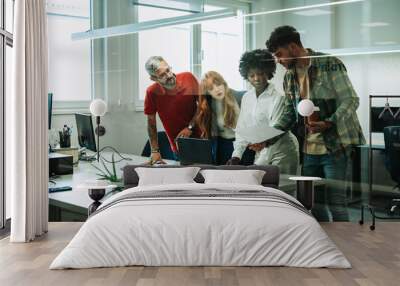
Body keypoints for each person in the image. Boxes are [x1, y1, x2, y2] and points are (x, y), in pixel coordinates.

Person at [266, 25, 366, 221]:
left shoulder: (329, 63)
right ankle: (322, 248)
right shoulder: (289, 77)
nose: (278, 61)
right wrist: (268, 135)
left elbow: (351, 100)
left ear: (293, 47)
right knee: (313, 204)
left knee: (336, 202)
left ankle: (345, 248)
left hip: (334, 146)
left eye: (280, 54)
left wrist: (329, 123)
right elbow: (288, 112)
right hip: (309, 149)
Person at [226, 49, 299, 174]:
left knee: (280, 189)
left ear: (268, 72)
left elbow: (274, 132)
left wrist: (257, 165)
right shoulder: (247, 97)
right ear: (246, 77)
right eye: (252, 75)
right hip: (261, 149)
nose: (257, 79)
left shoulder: (278, 98)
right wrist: (236, 156)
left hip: (282, 151)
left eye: (260, 74)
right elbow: (243, 129)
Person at [144, 56, 200, 164]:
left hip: (202, 138)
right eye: (162, 75)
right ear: (153, 78)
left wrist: (189, 127)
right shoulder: (151, 92)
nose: (169, 75)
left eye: (168, 70)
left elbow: (203, 106)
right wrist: (155, 151)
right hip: (179, 146)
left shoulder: (188, 77)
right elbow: (151, 123)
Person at [196, 71, 244, 164]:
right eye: (211, 88)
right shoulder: (208, 104)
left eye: (218, 84)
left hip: (242, 145)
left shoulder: (238, 97)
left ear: (223, 83)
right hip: (222, 145)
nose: (217, 89)